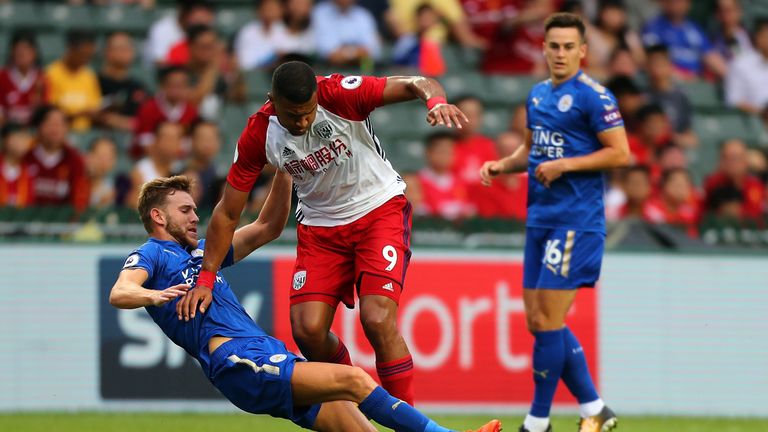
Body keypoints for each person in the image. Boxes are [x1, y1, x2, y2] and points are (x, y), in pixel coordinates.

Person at [177, 60, 469, 407]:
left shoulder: (339, 94)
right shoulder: (259, 133)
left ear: (317, 96)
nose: (301, 121)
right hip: (320, 228)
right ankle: (357, 403)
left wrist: (435, 101)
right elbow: (227, 211)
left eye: (307, 112)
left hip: (377, 209)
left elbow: (417, 82)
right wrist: (207, 278)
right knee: (307, 330)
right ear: (273, 100)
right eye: (292, 115)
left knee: (376, 319)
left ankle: (410, 424)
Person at [110, 174, 501, 432]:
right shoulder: (153, 255)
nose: (196, 216)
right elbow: (121, 291)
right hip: (236, 360)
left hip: (264, 353)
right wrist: (153, 295)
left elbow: (267, 227)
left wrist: (285, 169)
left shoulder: (203, 254)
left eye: (196, 209)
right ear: (158, 216)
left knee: (359, 426)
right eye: (186, 210)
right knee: (352, 379)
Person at [479, 13, 629, 432]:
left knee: (547, 321)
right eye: (553, 46)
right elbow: (532, 151)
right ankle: (595, 408)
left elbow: (620, 154)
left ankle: (537, 421)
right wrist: (501, 165)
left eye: (568, 47)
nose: (560, 53)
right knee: (538, 322)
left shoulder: (595, 97)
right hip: (540, 218)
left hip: (576, 221)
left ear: (582, 51)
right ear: (543, 48)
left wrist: (566, 165)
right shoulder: (537, 95)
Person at [23, 106, 90, 211]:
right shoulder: (25, 156)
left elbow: (79, 202)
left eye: (60, 124)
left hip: (62, 224)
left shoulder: (74, 160)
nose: (55, 129)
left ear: (67, 128)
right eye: (50, 123)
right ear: (39, 126)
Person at [641, 0, 727, 80]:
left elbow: (711, 55)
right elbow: (653, 60)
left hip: (696, 79)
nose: (678, 4)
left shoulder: (694, 28)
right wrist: (681, 75)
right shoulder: (654, 27)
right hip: (671, 81)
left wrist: (727, 73)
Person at [132, 66, 198, 159]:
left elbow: (189, 143)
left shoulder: (191, 111)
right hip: (148, 160)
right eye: (172, 85)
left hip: (179, 161)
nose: (176, 90)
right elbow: (145, 143)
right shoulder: (148, 108)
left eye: (181, 85)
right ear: (163, 86)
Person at [45, 31, 101, 131]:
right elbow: (49, 113)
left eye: (89, 56)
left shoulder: (89, 75)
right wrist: (80, 114)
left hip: (86, 132)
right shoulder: (51, 74)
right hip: (59, 131)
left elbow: (95, 107)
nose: (86, 60)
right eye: (83, 55)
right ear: (71, 49)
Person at [417, 130, 474, 220]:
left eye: (450, 151)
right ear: (428, 152)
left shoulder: (462, 183)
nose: (446, 156)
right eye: (442, 151)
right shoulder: (417, 183)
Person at [98, 32, 149, 131]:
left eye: (128, 48)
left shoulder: (138, 87)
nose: (125, 52)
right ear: (107, 52)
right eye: (120, 48)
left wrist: (119, 121)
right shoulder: (94, 82)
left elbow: (145, 119)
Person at [313, 0, 382, 66]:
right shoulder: (320, 12)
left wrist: (345, 53)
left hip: (360, 71)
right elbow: (329, 54)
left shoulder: (363, 15)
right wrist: (358, 53)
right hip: (328, 71)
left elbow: (373, 51)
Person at [0, 31, 48, 127]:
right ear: (12, 52)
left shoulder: (42, 79)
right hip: (8, 132)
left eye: (26, 49)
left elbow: (44, 113)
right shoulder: (2, 77)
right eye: (18, 50)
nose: (22, 53)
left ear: (34, 52)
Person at [725, 19, 768, 115]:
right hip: (754, 122)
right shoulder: (740, 64)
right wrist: (762, 113)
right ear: (759, 37)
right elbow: (734, 102)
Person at [0, 123, 34, 207]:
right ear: (5, 140)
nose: (21, 143)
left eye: (24, 138)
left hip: (21, 217)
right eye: (17, 138)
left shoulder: (30, 168)